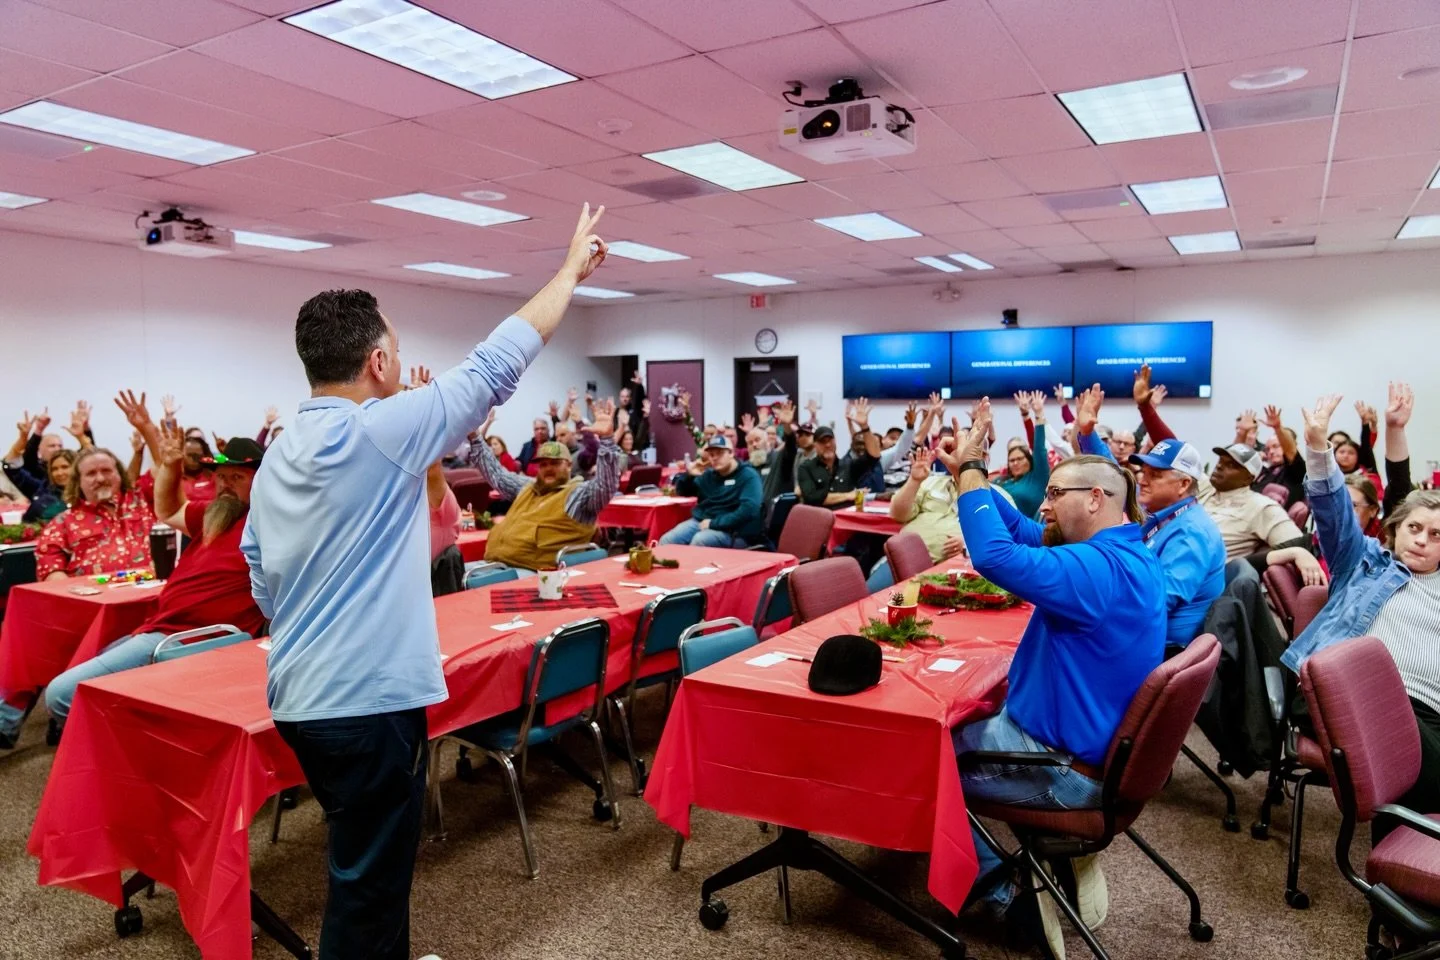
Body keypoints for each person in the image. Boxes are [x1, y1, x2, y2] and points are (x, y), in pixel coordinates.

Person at [240, 203, 608, 960]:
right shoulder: (380, 429)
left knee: (362, 863)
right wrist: (567, 272)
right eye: (396, 352)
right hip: (368, 703)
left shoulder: (280, 451)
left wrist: (311, 619)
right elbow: (495, 364)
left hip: (301, 695)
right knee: (369, 882)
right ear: (377, 363)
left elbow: (257, 567)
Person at [947, 400, 1164, 945]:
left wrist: (973, 471)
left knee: (921, 753)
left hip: (1057, 768)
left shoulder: (1093, 570)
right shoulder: (1126, 551)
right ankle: (1043, 859)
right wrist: (970, 478)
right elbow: (1023, 532)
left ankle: (999, 894)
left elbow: (994, 556)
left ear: (1095, 498)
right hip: (1092, 755)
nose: (1043, 503)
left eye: (1052, 494)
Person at [40, 396, 268, 733]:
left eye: (237, 477)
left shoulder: (270, 524)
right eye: (221, 476)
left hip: (192, 641)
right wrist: (171, 463)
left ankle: (147, 742)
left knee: (61, 694)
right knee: (88, 665)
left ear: (263, 480)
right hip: (158, 626)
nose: (225, 484)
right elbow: (167, 509)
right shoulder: (215, 514)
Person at [1282, 388, 1440, 824]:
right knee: (1410, 762)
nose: (1423, 540)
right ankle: (1393, 879)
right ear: (1395, 527)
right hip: (1349, 698)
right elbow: (1333, 510)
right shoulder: (1363, 561)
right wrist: (1317, 446)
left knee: (1415, 767)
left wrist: (1393, 427)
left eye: (1436, 535)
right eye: (1414, 527)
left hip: (1431, 714)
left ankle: (1393, 880)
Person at [471, 397, 621, 571]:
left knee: (459, 588)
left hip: (530, 572)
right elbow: (497, 474)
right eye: (543, 464)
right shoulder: (528, 487)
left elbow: (605, 486)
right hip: (494, 563)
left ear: (569, 465)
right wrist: (474, 436)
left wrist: (607, 440)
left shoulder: (578, 496)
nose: (548, 468)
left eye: (555, 463)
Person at [1129, 439, 1227, 647]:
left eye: (1154, 475)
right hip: (1148, 634)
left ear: (1184, 484)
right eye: (1143, 472)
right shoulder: (1168, 516)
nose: (1143, 481)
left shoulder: (1190, 532)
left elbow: (1159, 602)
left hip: (1161, 648)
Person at [34, 447, 154, 580]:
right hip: (97, 598)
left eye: (106, 471)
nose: (101, 478)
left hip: (157, 592)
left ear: (120, 474)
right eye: (91, 473)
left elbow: (164, 473)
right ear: (78, 482)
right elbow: (50, 570)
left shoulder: (145, 503)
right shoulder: (63, 522)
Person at [661, 435, 763, 548]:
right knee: (667, 540)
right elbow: (682, 492)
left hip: (735, 530)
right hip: (702, 522)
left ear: (731, 453)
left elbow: (749, 510)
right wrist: (689, 475)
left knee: (700, 540)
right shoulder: (709, 475)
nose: (714, 458)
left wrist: (714, 523)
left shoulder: (748, 475)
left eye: (719, 453)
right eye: (711, 455)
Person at [888, 445, 965, 563]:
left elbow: (999, 536)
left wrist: (968, 545)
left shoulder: (992, 494)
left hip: (954, 568)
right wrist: (914, 480)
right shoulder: (931, 482)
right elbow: (898, 515)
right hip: (905, 558)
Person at [996, 391, 1051, 517]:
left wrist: (1038, 414)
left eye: (1020, 459)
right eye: (1012, 460)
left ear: (1029, 459)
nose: (1015, 463)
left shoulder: (1038, 477)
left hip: (1025, 531)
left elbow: (1039, 447)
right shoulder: (1001, 480)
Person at [797, 424, 870, 507]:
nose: (827, 445)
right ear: (815, 445)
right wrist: (848, 495)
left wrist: (865, 427)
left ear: (835, 441)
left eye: (830, 441)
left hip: (846, 516)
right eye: (822, 442)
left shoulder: (848, 465)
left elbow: (874, 456)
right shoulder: (806, 468)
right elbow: (812, 498)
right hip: (820, 517)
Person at [1254, 405, 1305, 506]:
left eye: (1276, 446)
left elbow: (1290, 452)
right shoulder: (1263, 470)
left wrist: (1277, 428)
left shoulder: (1296, 470)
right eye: (1267, 449)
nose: (1271, 451)